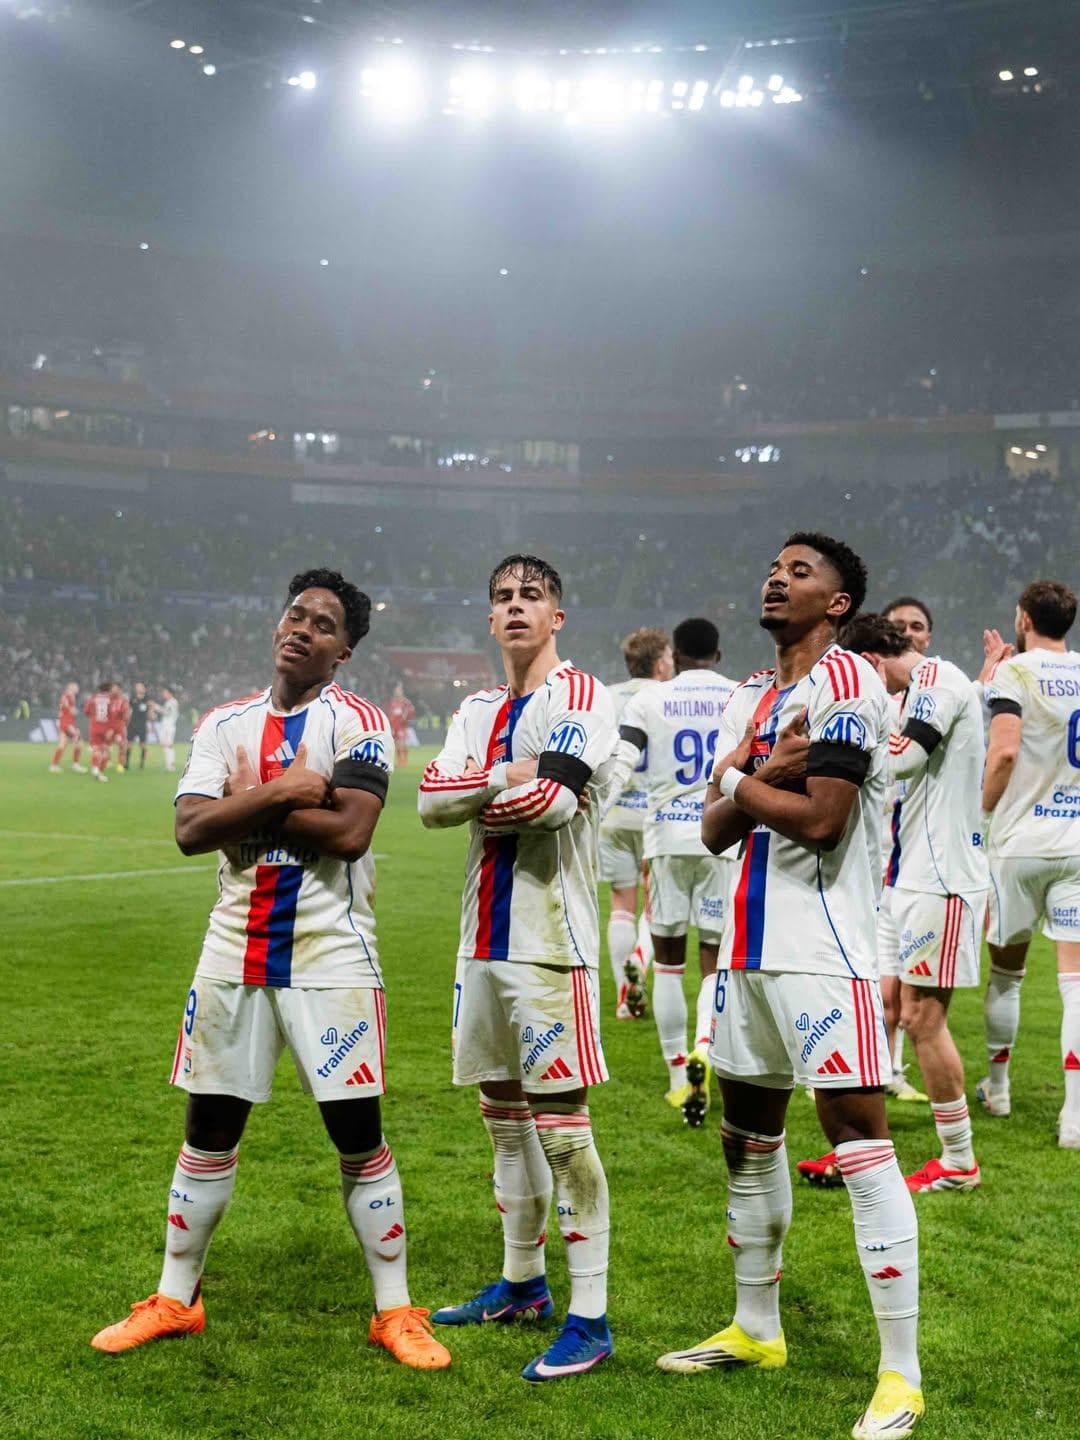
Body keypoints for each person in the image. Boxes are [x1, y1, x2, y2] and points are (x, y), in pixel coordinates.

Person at [90, 568, 451, 1370]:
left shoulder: (360, 722)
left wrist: (243, 805)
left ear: (344, 650)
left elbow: (351, 832)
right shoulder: (224, 722)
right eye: (296, 615)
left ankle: (395, 1311)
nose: (303, 629)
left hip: (331, 954)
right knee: (207, 1131)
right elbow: (189, 830)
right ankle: (175, 1300)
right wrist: (289, 790)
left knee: (357, 1138)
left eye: (323, 625)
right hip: (231, 950)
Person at [658, 534, 923, 1440]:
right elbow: (710, 832)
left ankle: (900, 1375)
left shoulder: (848, 683)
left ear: (839, 603)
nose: (777, 576)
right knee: (749, 1140)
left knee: (857, 1142)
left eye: (801, 571)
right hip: (744, 951)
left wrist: (740, 773)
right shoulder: (753, 695)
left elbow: (821, 818)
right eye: (773, 565)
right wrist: (755, 772)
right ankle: (755, 1328)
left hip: (827, 951)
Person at [418, 553, 617, 1382]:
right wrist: (506, 774)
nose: (515, 607)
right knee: (503, 1119)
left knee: (562, 1129)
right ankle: (522, 1284)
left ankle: (592, 1318)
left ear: (557, 616)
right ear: (488, 617)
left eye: (531, 595)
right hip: (480, 941)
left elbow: (558, 803)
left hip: (548, 942)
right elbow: (428, 801)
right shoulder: (475, 708)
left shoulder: (581, 695)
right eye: (501, 597)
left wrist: (480, 786)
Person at [843, 613, 987, 1192]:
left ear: (875, 661)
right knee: (888, 1005)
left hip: (942, 877)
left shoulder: (935, 681)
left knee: (925, 1018)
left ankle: (958, 1162)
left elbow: (902, 758)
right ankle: (870, 1150)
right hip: (909, 875)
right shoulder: (934, 687)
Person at [607, 618, 736, 1124]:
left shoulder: (649, 701)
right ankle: (706, 1043)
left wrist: (590, 805)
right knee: (713, 962)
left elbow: (622, 762)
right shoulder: (739, 695)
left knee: (668, 964)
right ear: (718, 655)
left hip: (664, 841)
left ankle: (678, 1075)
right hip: (721, 840)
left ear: (674, 656)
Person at [979, 579, 1080, 1149]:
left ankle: (999, 1087)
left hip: (1019, 841)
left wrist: (980, 812)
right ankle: (1074, 1119)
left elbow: (1006, 750)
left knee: (1007, 972)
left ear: (1023, 618)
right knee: (1076, 985)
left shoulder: (1015, 673)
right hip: (1078, 844)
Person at [875, 597, 934, 1103]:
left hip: (909, 859)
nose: (908, 633)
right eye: (899, 627)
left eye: (917, 626)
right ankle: (846, 1068)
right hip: (871, 857)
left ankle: (891, 1069)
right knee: (876, 979)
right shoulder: (878, 697)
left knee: (900, 985)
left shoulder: (931, 697)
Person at [598, 626, 673, 1020]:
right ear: (661, 662)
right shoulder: (668, 697)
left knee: (620, 904)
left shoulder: (607, 697)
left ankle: (624, 1000)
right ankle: (638, 969)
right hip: (654, 813)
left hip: (612, 813)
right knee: (654, 905)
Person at [50, 681, 86, 773]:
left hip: (64, 722)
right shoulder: (69, 696)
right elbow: (72, 711)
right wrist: (79, 711)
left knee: (62, 744)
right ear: (70, 688)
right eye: (76, 687)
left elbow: (62, 709)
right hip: (68, 723)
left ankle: (54, 765)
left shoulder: (65, 696)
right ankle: (75, 764)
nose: (77, 688)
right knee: (79, 742)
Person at [84, 681, 112, 783]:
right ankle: (99, 772)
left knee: (96, 749)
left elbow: (86, 712)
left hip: (95, 727)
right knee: (105, 751)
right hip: (107, 727)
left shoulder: (93, 698)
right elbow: (113, 714)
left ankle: (95, 768)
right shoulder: (111, 699)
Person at [387, 682, 416, 767]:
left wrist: (405, 720)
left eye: (399, 690)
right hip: (394, 726)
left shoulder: (405, 702)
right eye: (396, 691)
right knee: (396, 744)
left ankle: (404, 761)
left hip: (402, 726)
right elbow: (390, 713)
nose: (397, 692)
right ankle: (399, 761)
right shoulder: (392, 702)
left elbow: (411, 711)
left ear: (402, 692)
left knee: (402, 744)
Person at [127, 682, 151, 771]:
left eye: (140, 687)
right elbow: (128, 711)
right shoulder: (132, 699)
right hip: (132, 724)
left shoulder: (147, 699)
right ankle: (126, 763)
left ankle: (141, 764)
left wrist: (150, 721)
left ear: (144, 688)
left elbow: (149, 712)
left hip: (142, 725)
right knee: (129, 744)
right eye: (137, 687)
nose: (139, 688)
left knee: (142, 745)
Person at [108, 682, 132, 772]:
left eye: (115, 688)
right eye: (112, 688)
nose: (113, 690)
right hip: (108, 726)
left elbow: (126, 714)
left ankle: (120, 765)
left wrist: (125, 723)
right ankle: (106, 761)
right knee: (105, 745)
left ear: (119, 690)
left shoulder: (123, 700)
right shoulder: (107, 699)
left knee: (122, 745)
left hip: (119, 727)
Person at [158, 686, 180, 772]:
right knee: (164, 744)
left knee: (169, 745)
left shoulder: (173, 702)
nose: (164, 694)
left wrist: (156, 707)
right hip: (165, 726)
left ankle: (171, 765)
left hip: (169, 726)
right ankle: (169, 764)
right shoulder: (168, 702)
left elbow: (166, 712)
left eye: (165, 692)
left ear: (170, 693)